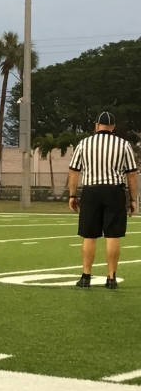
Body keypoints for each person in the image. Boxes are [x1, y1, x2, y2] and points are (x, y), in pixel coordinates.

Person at [67, 112, 138, 289]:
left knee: (89, 235)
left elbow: (74, 171)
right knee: (112, 235)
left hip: (91, 191)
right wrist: (133, 199)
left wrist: (72, 195)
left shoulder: (84, 144)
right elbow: (131, 173)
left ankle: (85, 276)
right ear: (113, 127)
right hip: (114, 191)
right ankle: (111, 278)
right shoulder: (123, 145)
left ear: (97, 125)